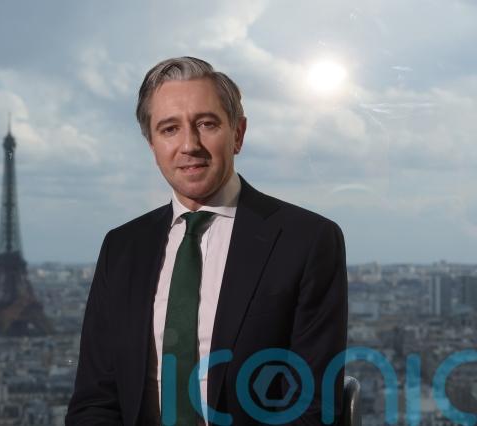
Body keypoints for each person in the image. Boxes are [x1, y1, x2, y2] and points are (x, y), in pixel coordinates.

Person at [66, 56, 347, 425]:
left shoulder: (306, 241)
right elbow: (94, 401)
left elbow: (313, 406)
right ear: (152, 145)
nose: (189, 145)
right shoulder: (122, 248)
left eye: (206, 124)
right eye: (169, 129)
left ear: (238, 134)